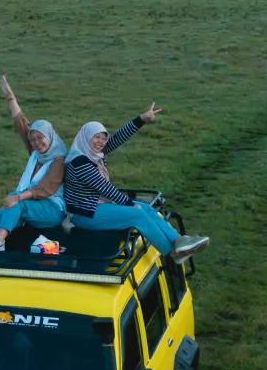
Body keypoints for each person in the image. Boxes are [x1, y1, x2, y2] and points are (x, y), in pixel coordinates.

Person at [63, 103, 209, 260]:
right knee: (137, 213)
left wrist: (142, 119)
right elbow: (105, 188)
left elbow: (117, 138)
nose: (101, 142)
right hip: (83, 214)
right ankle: (172, 252)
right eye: (96, 137)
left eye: (103, 138)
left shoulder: (92, 153)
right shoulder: (79, 161)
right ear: (86, 137)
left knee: (146, 209)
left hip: (97, 207)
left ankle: (179, 240)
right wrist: (131, 204)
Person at [0, 75, 67, 253]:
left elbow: (47, 188)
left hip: (52, 210)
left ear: (50, 137)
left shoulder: (58, 159)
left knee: (15, 201)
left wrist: (18, 197)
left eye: (41, 138)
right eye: (33, 139)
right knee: (8, 207)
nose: (37, 142)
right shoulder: (36, 154)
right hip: (33, 204)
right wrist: (10, 96)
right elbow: (22, 124)